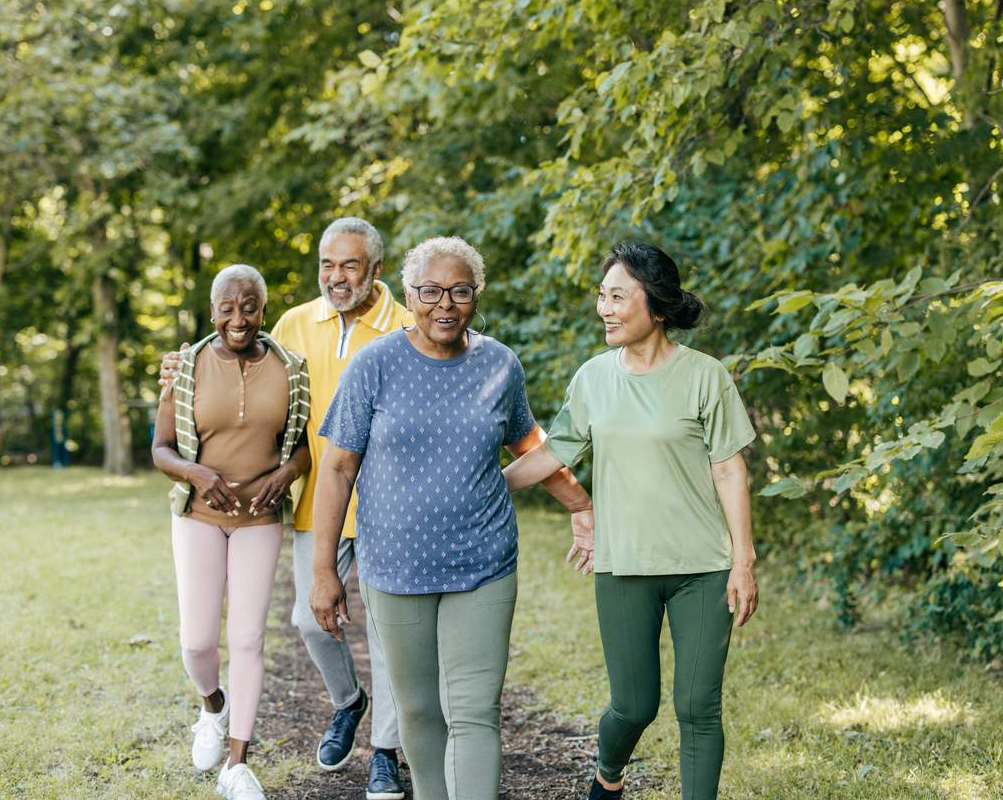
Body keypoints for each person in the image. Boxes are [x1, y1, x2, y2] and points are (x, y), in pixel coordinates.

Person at [309, 236, 594, 800]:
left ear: (475, 296)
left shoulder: (499, 365)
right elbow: (338, 468)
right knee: (418, 711)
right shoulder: (374, 366)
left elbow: (528, 445)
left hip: (484, 562)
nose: (445, 304)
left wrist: (581, 504)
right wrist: (324, 571)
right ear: (409, 294)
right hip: (394, 567)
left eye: (460, 291)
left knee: (473, 710)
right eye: (431, 291)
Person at [160, 218, 410, 800]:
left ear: (375, 269)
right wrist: (178, 369)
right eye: (328, 264)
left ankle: (386, 753)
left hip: (390, 508)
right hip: (318, 505)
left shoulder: (405, 325)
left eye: (350, 265)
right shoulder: (295, 324)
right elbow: (236, 360)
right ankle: (349, 701)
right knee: (307, 619)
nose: (336, 276)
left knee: (387, 632)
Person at [502, 243, 758, 800]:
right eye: (602, 296)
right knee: (634, 704)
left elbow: (729, 471)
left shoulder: (705, 377)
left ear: (657, 307)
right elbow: (555, 453)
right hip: (624, 567)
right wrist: (488, 484)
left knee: (697, 706)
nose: (605, 309)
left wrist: (743, 561)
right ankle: (608, 773)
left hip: (703, 568)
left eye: (618, 296)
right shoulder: (593, 378)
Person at [152, 264, 311, 800]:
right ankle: (212, 707)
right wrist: (195, 473)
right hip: (199, 515)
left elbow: (308, 445)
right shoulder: (186, 366)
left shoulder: (292, 368)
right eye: (226, 308)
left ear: (264, 309)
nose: (237, 319)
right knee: (197, 641)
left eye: (249, 307)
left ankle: (237, 764)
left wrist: (287, 473)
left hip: (259, 521)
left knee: (247, 639)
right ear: (212, 309)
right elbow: (160, 450)